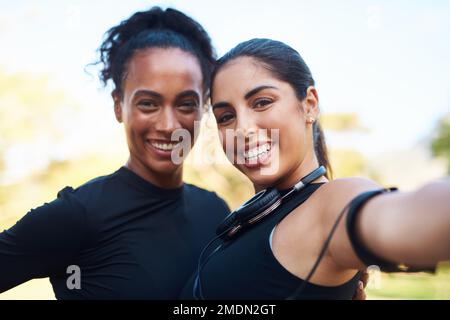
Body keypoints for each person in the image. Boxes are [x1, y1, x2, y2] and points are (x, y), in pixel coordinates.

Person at [180, 38, 450, 300]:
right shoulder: (251, 220)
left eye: (262, 102)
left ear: (309, 105)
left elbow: (414, 215)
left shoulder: (331, 205)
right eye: (226, 117)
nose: (242, 129)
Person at [0, 7, 229, 299]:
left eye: (185, 104)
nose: (169, 125)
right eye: (148, 103)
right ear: (119, 105)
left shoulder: (215, 211)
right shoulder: (76, 216)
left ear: (203, 108)